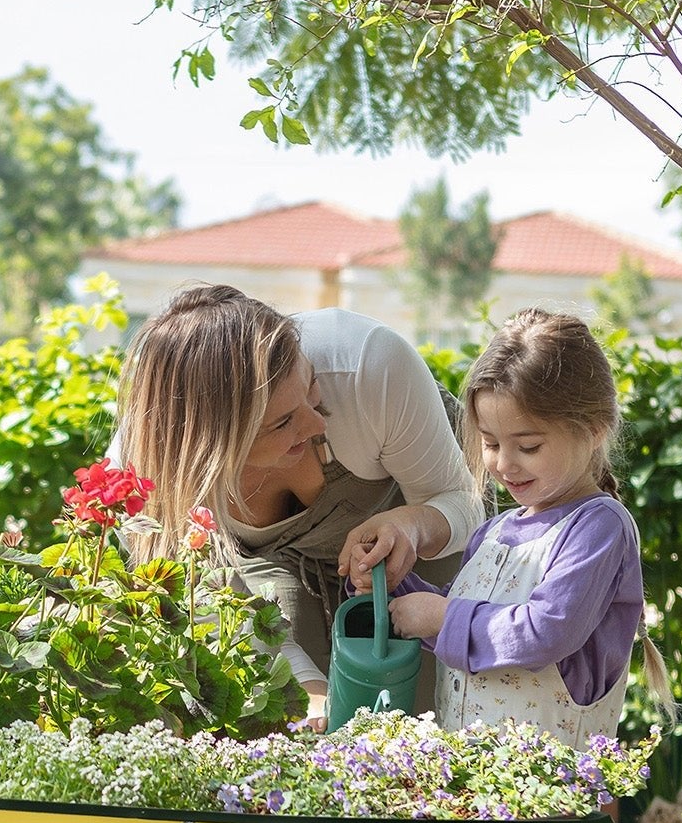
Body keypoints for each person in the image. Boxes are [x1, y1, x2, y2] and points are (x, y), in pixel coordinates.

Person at [111, 284, 482, 719]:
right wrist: (313, 696)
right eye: (283, 421)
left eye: (310, 386)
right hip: (263, 568)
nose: (315, 421)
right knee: (280, 716)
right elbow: (236, 612)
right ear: (215, 447)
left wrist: (412, 526)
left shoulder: (368, 365)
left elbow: (466, 504)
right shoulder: (149, 473)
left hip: (426, 540)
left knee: (427, 711)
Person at [387, 308, 674, 745]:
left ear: (593, 429)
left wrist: (441, 616)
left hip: (548, 798)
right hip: (473, 788)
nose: (504, 463)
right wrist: (390, 585)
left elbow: (544, 631)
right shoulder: (494, 532)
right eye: (490, 443)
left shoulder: (598, 527)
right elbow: (476, 636)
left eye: (528, 446)